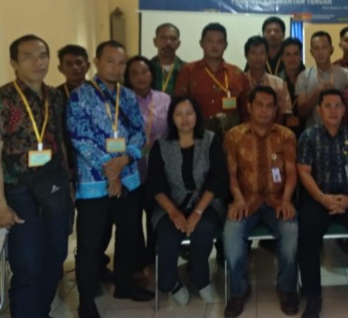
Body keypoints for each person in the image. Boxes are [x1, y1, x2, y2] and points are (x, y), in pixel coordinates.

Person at [0, 35, 72, 318]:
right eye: (29, 56)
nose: (38, 62)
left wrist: (68, 186)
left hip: (53, 186)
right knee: (27, 264)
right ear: (14, 62)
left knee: (56, 256)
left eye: (43, 55)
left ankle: (40, 312)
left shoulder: (55, 97)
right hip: (18, 191)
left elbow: (61, 144)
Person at [67, 40, 153, 318]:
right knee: (90, 244)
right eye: (110, 61)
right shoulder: (79, 96)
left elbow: (139, 133)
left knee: (128, 235)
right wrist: (110, 168)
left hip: (128, 177)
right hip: (94, 182)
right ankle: (86, 302)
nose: (116, 68)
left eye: (121, 62)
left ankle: (124, 285)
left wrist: (124, 160)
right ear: (96, 62)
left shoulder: (127, 95)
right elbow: (80, 139)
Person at [297, 88, 348, 318]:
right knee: (307, 234)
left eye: (337, 106)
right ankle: (313, 295)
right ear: (319, 110)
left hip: (347, 198)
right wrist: (322, 198)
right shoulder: (308, 136)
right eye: (328, 106)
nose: (333, 111)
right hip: (318, 198)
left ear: (344, 110)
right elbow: (304, 172)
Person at [223, 86, 299, 317]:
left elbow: (291, 172)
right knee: (231, 238)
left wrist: (286, 200)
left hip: (277, 201)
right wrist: (237, 199)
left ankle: (286, 288)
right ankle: (239, 291)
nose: (264, 110)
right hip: (246, 201)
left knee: (291, 235)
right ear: (249, 107)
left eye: (269, 106)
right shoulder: (234, 135)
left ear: (276, 109)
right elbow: (231, 175)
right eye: (259, 105)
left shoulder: (286, 135)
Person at [147, 96, 229, 305]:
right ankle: (171, 283)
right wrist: (173, 212)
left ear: (197, 115)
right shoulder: (161, 145)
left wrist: (197, 212)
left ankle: (200, 278)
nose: (184, 119)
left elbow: (218, 179)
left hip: (206, 203)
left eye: (189, 113)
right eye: (179, 114)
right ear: (171, 118)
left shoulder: (210, 140)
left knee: (203, 231)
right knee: (166, 238)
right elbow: (155, 185)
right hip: (170, 205)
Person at [58, 44, 114, 285]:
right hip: (67, 169)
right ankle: (81, 273)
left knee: (102, 223)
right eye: (69, 63)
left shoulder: (101, 92)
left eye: (79, 62)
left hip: (98, 170)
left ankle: (98, 266)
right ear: (60, 68)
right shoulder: (55, 97)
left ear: (89, 64)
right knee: (79, 227)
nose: (75, 68)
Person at [124, 55, 171, 268]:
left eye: (144, 71)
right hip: (131, 169)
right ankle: (137, 264)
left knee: (156, 218)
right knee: (132, 220)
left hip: (159, 169)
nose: (140, 77)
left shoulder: (165, 100)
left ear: (152, 74)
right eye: (134, 73)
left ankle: (154, 261)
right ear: (128, 78)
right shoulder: (122, 101)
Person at [174, 22, 249, 135]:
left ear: (226, 45)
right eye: (210, 41)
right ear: (201, 43)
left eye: (219, 42)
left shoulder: (237, 73)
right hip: (197, 136)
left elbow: (246, 111)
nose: (215, 46)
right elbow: (178, 106)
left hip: (231, 136)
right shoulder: (188, 71)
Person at [296, 31, 348, 129]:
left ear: (331, 49)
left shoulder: (346, 75)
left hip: (340, 131)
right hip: (313, 132)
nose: (320, 52)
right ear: (311, 52)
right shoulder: (304, 76)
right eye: (316, 48)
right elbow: (302, 112)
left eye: (324, 47)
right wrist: (317, 92)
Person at [243, 35, 292, 123]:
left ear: (267, 56)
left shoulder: (278, 84)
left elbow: (285, 112)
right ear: (246, 56)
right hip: (243, 129)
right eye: (254, 53)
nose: (258, 57)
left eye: (262, 53)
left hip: (273, 129)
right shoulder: (238, 81)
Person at [278, 37, 306, 137]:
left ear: (301, 56)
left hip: (307, 131)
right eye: (288, 54)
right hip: (282, 132)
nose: (292, 59)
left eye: (295, 54)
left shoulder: (310, 78)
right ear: (282, 58)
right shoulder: (276, 81)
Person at [149, 23, 184, 95]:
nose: (168, 43)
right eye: (163, 38)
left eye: (173, 39)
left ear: (178, 44)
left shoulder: (187, 70)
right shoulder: (147, 69)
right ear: (155, 41)